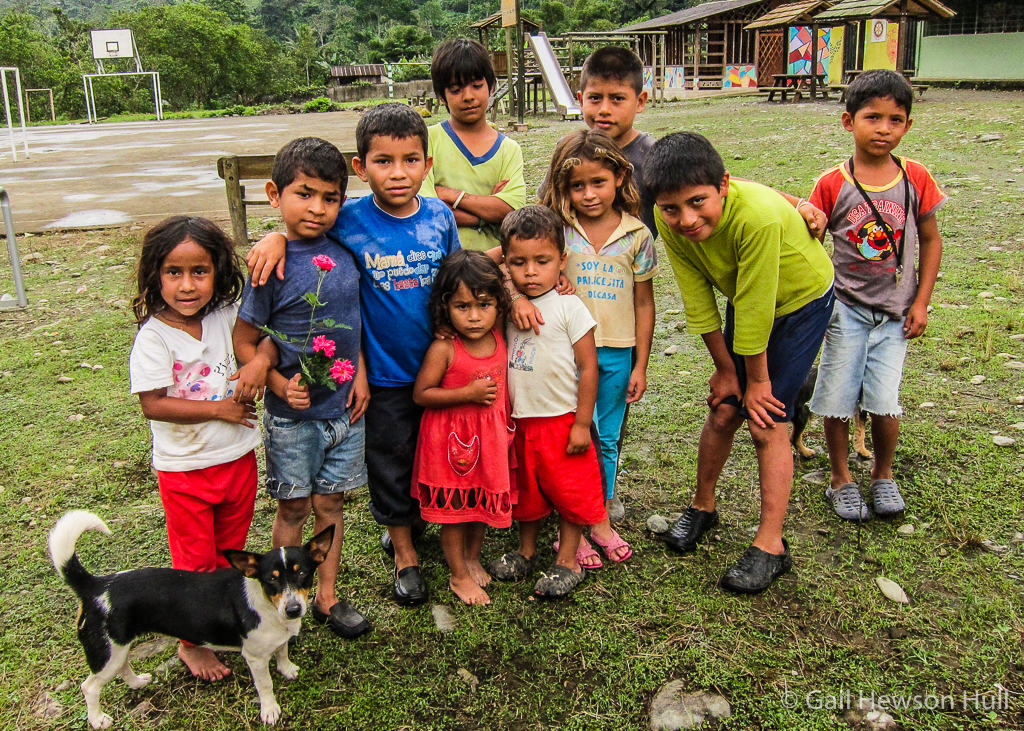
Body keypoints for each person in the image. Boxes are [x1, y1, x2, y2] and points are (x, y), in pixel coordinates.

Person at [246, 105, 461, 607]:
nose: (399, 172)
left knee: (431, 456)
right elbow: (303, 231)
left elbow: (456, 280)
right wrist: (274, 236)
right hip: (380, 375)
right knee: (387, 464)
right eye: (383, 161)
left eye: (411, 160)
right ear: (362, 167)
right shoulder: (347, 218)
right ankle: (405, 554)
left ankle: (425, 526)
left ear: (427, 165)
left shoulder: (440, 216)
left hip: (436, 368)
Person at [649, 132, 835, 594]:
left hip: (801, 300)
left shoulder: (757, 218)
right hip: (748, 297)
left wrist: (757, 381)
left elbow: (755, 307)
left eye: (697, 203)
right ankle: (703, 507)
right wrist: (726, 370)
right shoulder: (665, 214)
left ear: (724, 186)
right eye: (672, 209)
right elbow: (696, 296)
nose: (686, 219)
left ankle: (771, 545)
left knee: (765, 417)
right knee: (723, 407)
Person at [234, 137, 372, 639]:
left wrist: (359, 372)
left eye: (330, 197)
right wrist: (274, 380)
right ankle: (280, 597)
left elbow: (348, 325)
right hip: (292, 420)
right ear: (275, 194)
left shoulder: (346, 252)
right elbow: (246, 340)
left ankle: (327, 597)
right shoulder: (269, 265)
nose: (317, 208)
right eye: (304, 194)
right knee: (293, 506)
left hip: (345, 412)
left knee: (331, 505)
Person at [129, 215, 269, 680]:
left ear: (218, 272)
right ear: (155, 276)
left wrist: (260, 365)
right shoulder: (153, 337)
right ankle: (192, 643)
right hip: (186, 470)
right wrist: (218, 410)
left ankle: (220, 622)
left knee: (230, 555)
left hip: (238, 460)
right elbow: (153, 404)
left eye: (199, 271)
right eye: (174, 272)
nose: (187, 285)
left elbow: (262, 342)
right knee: (192, 562)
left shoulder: (227, 318)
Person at [807, 70, 946, 520]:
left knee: (885, 402)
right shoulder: (832, 182)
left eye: (895, 119)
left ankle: (883, 475)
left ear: (907, 125)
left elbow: (930, 238)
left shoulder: (916, 177)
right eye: (873, 117)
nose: (883, 128)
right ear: (849, 121)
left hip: (895, 313)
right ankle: (840, 478)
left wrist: (921, 301)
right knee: (836, 398)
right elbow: (810, 241)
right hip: (845, 309)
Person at [541, 129, 656, 567]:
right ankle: (568, 521)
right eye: (577, 185)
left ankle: (600, 517)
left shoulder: (637, 235)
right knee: (566, 440)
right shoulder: (557, 231)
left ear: (619, 178)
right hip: (562, 354)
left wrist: (641, 363)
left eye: (599, 183)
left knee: (605, 439)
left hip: (615, 354)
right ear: (563, 187)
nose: (589, 195)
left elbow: (643, 302)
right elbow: (521, 263)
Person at [486, 206, 606, 598]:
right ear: (506, 263)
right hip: (520, 423)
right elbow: (477, 265)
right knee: (528, 493)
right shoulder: (507, 306)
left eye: (543, 261)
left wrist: (583, 423)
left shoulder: (570, 306)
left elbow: (589, 368)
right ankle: (526, 550)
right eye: (519, 262)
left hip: (561, 421)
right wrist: (511, 288)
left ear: (562, 261)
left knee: (570, 492)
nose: (531, 271)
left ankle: (567, 560)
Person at [411, 250, 515, 605]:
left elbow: (512, 279)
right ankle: (457, 574)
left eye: (483, 305)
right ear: (445, 307)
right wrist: (467, 393)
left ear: (498, 304)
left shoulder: (500, 334)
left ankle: (472, 557)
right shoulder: (444, 348)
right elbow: (422, 394)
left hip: (490, 439)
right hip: (451, 444)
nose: (474, 316)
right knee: (454, 511)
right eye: (462, 306)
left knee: (481, 504)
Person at [421, 37, 526, 251]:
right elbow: (426, 210)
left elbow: (512, 210)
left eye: (477, 86)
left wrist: (452, 195)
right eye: (456, 90)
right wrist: (487, 210)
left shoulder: (508, 150)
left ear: (491, 87)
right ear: (442, 96)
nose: (468, 96)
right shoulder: (426, 141)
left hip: (494, 266)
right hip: (442, 266)